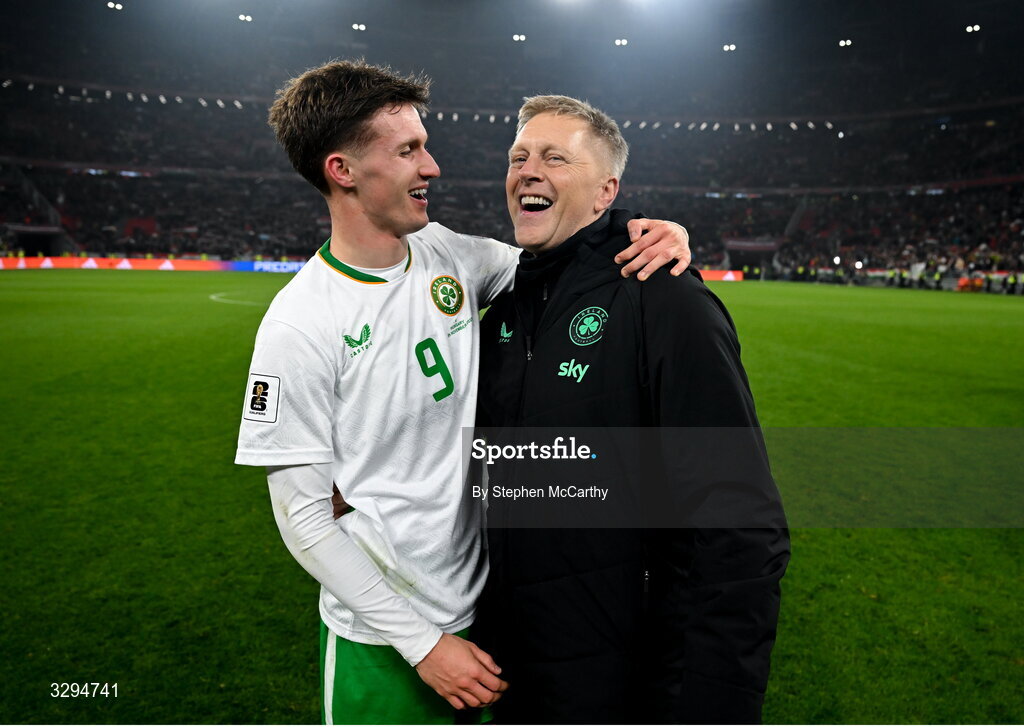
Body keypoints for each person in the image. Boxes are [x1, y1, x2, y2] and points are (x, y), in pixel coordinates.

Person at [233, 61, 692, 725]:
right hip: (386, 643)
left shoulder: (444, 253)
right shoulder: (299, 325)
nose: (433, 166)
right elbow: (303, 520)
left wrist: (647, 230)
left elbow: (553, 261)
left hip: (491, 617)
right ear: (343, 170)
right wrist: (423, 646)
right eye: (408, 150)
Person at [474, 95, 790, 723]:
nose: (527, 171)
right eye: (518, 157)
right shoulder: (502, 311)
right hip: (515, 673)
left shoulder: (665, 300)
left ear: (606, 192)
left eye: (554, 159)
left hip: (628, 682)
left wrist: (710, 704)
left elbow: (738, 522)